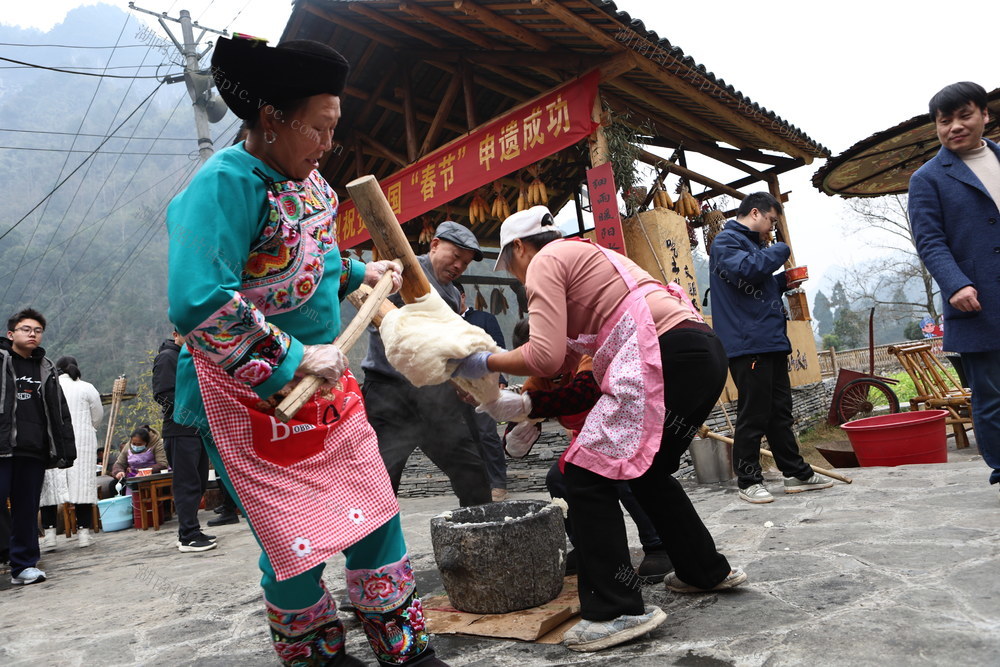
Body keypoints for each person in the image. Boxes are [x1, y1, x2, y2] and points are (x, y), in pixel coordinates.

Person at [166, 35, 446, 666]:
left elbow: (311, 259)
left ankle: (407, 650)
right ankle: (318, 657)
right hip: (255, 394)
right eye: (319, 129)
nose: (327, 144)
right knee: (292, 538)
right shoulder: (224, 185)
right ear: (273, 120)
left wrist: (357, 275)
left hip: (329, 380)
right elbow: (198, 299)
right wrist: (292, 359)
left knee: (373, 510)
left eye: (332, 130)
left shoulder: (311, 182)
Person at [457, 207, 743, 652]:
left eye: (510, 266)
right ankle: (705, 570)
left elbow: (546, 357)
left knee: (582, 475)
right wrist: (517, 400)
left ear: (519, 248)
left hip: (661, 351)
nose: (516, 278)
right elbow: (560, 365)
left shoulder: (547, 260)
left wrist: (482, 361)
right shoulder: (589, 260)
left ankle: (616, 610)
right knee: (647, 472)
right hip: (699, 351)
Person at [505, 318, 673, 583]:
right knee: (559, 479)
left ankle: (659, 545)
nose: (541, 367)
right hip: (588, 441)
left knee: (624, 479)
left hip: (626, 429)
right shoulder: (538, 381)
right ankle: (587, 546)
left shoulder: (585, 355)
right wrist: (516, 438)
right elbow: (518, 425)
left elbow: (582, 394)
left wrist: (528, 405)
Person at [707, 192, 833, 504]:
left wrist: (781, 282)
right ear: (755, 213)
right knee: (754, 414)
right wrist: (781, 250)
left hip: (771, 341)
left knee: (780, 413)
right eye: (771, 221)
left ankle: (795, 473)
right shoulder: (726, 242)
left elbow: (754, 282)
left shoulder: (750, 245)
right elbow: (745, 273)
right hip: (748, 344)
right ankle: (748, 481)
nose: (771, 229)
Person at [909, 81, 1000, 491]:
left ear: (985, 115)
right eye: (945, 121)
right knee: (992, 394)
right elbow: (930, 240)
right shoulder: (928, 178)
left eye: (964, 116)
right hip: (977, 300)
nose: (955, 127)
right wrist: (955, 284)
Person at [361, 221, 491, 508]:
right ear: (434, 245)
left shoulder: (454, 294)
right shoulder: (401, 269)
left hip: (435, 396)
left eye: (465, 263)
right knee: (380, 480)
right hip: (389, 392)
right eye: (455, 256)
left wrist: (466, 383)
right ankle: (379, 551)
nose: (459, 266)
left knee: (471, 471)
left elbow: (449, 348)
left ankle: (482, 539)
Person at [0, 308, 76, 586]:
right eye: (26, 329)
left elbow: (59, 412)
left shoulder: (46, 367)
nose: (32, 334)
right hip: (2, 447)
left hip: (33, 450)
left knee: (26, 508)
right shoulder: (1, 360)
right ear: (11, 334)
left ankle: (23, 566)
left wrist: (63, 448)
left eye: (37, 330)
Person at [154, 330, 218, 552]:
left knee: (199, 482)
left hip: (196, 429)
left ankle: (190, 530)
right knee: (187, 484)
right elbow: (162, 394)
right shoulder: (168, 357)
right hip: (179, 430)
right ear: (175, 334)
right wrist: (189, 411)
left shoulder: (191, 357)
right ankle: (188, 536)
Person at [38, 356, 104, 550]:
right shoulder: (87, 387)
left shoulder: (47, 386)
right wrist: (87, 428)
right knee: (82, 486)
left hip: (53, 443)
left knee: (49, 489)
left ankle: (50, 537)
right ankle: (84, 534)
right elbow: (97, 417)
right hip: (82, 443)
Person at [454, 280, 509, 501]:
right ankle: (479, 482)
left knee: (487, 435)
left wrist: (501, 377)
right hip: (455, 387)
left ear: (463, 296)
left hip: (483, 384)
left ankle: (498, 483)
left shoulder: (484, 319)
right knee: (467, 436)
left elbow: (499, 348)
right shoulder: (443, 322)